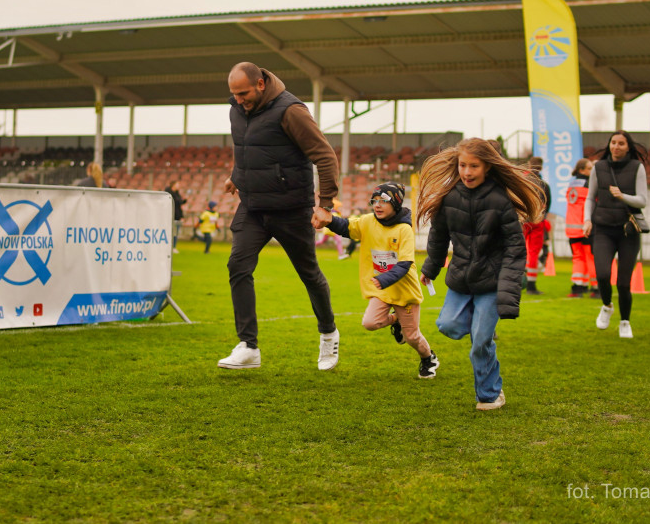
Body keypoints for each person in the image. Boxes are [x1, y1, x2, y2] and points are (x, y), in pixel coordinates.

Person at [217, 62, 340, 371]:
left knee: (309, 274)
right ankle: (249, 346)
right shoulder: (236, 108)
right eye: (233, 94)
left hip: (291, 208)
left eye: (243, 93)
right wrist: (236, 175)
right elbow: (245, 147)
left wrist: (325, 205)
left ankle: (328, 334)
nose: (238, 100)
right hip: (253, 206)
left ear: (260, 84)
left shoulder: (291, 111)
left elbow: (325, 156)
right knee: (237, 265)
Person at [416, 138, 544, 411]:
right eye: (463, 165)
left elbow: (515, 250)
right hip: (461, 279)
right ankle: (480, 327)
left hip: (491, 282)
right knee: (447, 326)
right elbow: (439, 236)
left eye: (474, 166)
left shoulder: (500, 201)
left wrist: (508, 293)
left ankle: (490, 394)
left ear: (487, 167)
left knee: (480, 343)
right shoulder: (450, 198)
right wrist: (430, 267)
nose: (467, 171)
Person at [314, 183, 439, 379]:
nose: (378, 205)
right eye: (375, 201)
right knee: (370, 322)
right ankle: (395, 320)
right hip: (382, 289)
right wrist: (329, 220)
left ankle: (428, 358)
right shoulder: (367, 221)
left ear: (396, 203)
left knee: (412, 337)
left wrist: (384, 278)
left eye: (384, 201)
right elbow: (346, 227)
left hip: (404, 292)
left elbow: (405, 263)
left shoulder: (404, 229)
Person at [583, 130, 649, 339]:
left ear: (628, 146)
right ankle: (606, 305)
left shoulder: (637, 168)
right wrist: (586, 220)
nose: (616, 147)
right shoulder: (599, 167)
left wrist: (623, 196)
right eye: (613, 142)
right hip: (603, 228)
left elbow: (642, 200)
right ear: (609, 145)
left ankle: (625, 321)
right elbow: (589, 197)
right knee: (602, 275)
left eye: (621, 143)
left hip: (628, 231)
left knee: (623, 282)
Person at [564, 158, 598, 298]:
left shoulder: (571, 184)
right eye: (589, 168)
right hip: (586, 226)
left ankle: (579, 287)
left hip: (571, 228)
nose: (592, 171)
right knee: (591, 258)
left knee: (578, 258)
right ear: (581, 170)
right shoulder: (589, 184)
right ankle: (596, 287)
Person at [523, 157, 552, 295]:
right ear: (541, 167)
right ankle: (531, 286)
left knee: (518, 250)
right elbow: (548, 203)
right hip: (537, 221)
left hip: (522, 221)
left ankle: (515, 281)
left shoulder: (522, 180)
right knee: (533, 253)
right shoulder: (544, 185)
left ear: (529, 165)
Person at [165, 180, 186, 253]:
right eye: (177, 184)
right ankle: (169, 247)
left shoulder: (177, 194)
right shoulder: (168, 194)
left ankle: (173, 247)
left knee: (175, 232)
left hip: (177, 216)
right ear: (173, 185)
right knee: (170, 232)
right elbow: (177, 202)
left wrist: (181, 216)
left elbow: (179, 204)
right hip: (170, 215)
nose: (178, 186)